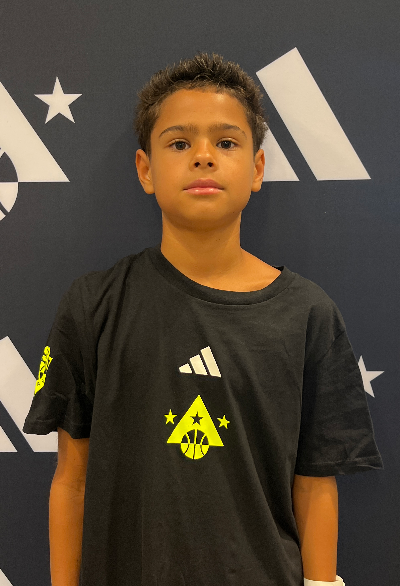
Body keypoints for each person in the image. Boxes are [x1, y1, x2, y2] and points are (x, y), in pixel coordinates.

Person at [23, 52, 383, 586]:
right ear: (146, 170)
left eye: (227, 142)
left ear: (257, 169)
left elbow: (314, 483)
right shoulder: (93, 304)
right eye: (179, 143)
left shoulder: (308, 314)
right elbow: (72, 482)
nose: (204, 157)